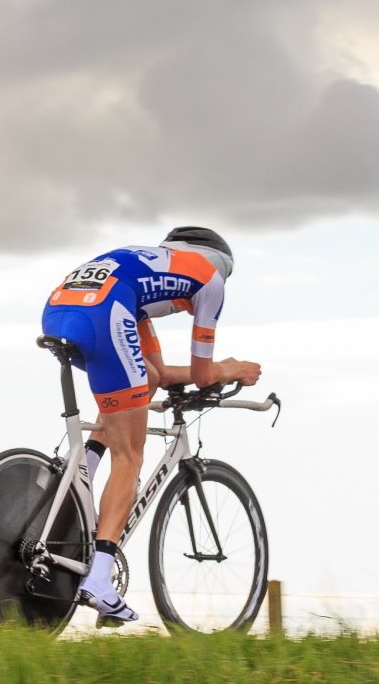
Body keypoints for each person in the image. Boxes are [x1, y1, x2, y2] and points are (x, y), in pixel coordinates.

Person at [40, 226, 263, 625]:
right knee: (130, 455)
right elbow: (200, 371)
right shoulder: (209, 278)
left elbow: (157, 373)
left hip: (60, 310)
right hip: (106, 314)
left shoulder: (146, 279)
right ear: (221, 264)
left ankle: (80, 492)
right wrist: (232, 368)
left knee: (126, 399)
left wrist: (201, 375)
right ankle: (100, 581)